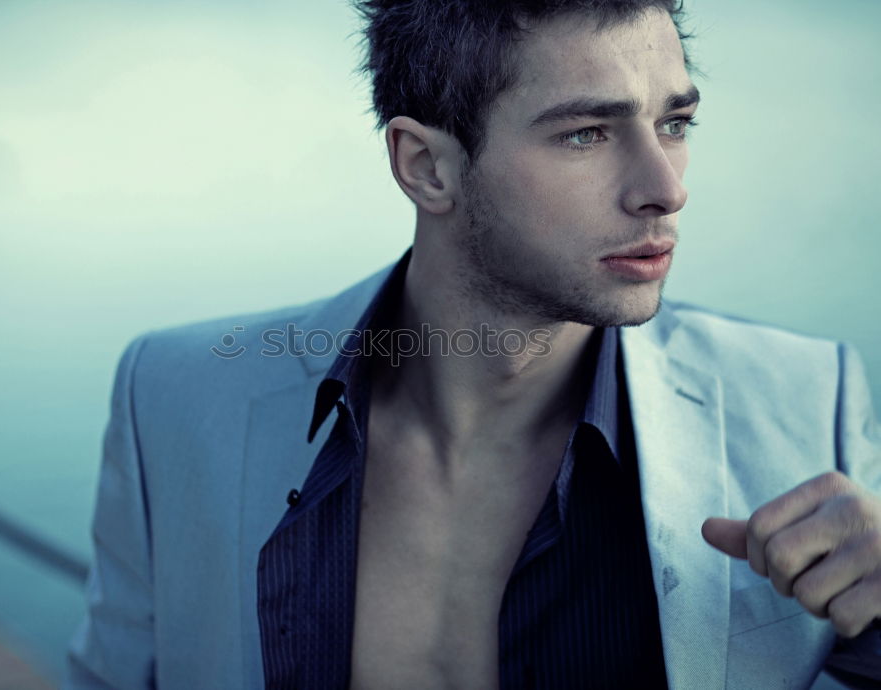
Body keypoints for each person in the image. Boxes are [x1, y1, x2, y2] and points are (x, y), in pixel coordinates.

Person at [66, 1, 881, 688]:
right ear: (426, 167)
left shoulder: (804, 405)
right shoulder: (174, 396)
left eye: (675, 122)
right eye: (586, 134)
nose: (666, 188)